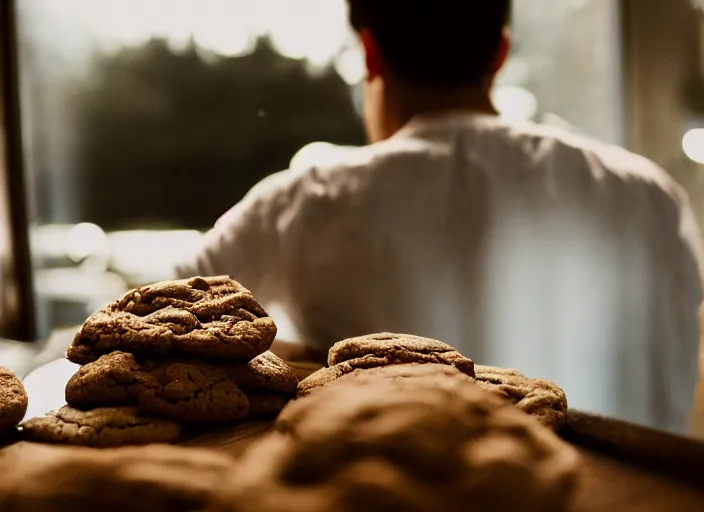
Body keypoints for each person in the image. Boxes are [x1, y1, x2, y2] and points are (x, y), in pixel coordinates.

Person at [175, 1, 704, 435]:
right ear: (499, 52)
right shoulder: (649, 192)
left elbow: (160, 319)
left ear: (370, 53)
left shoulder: (308, 199)